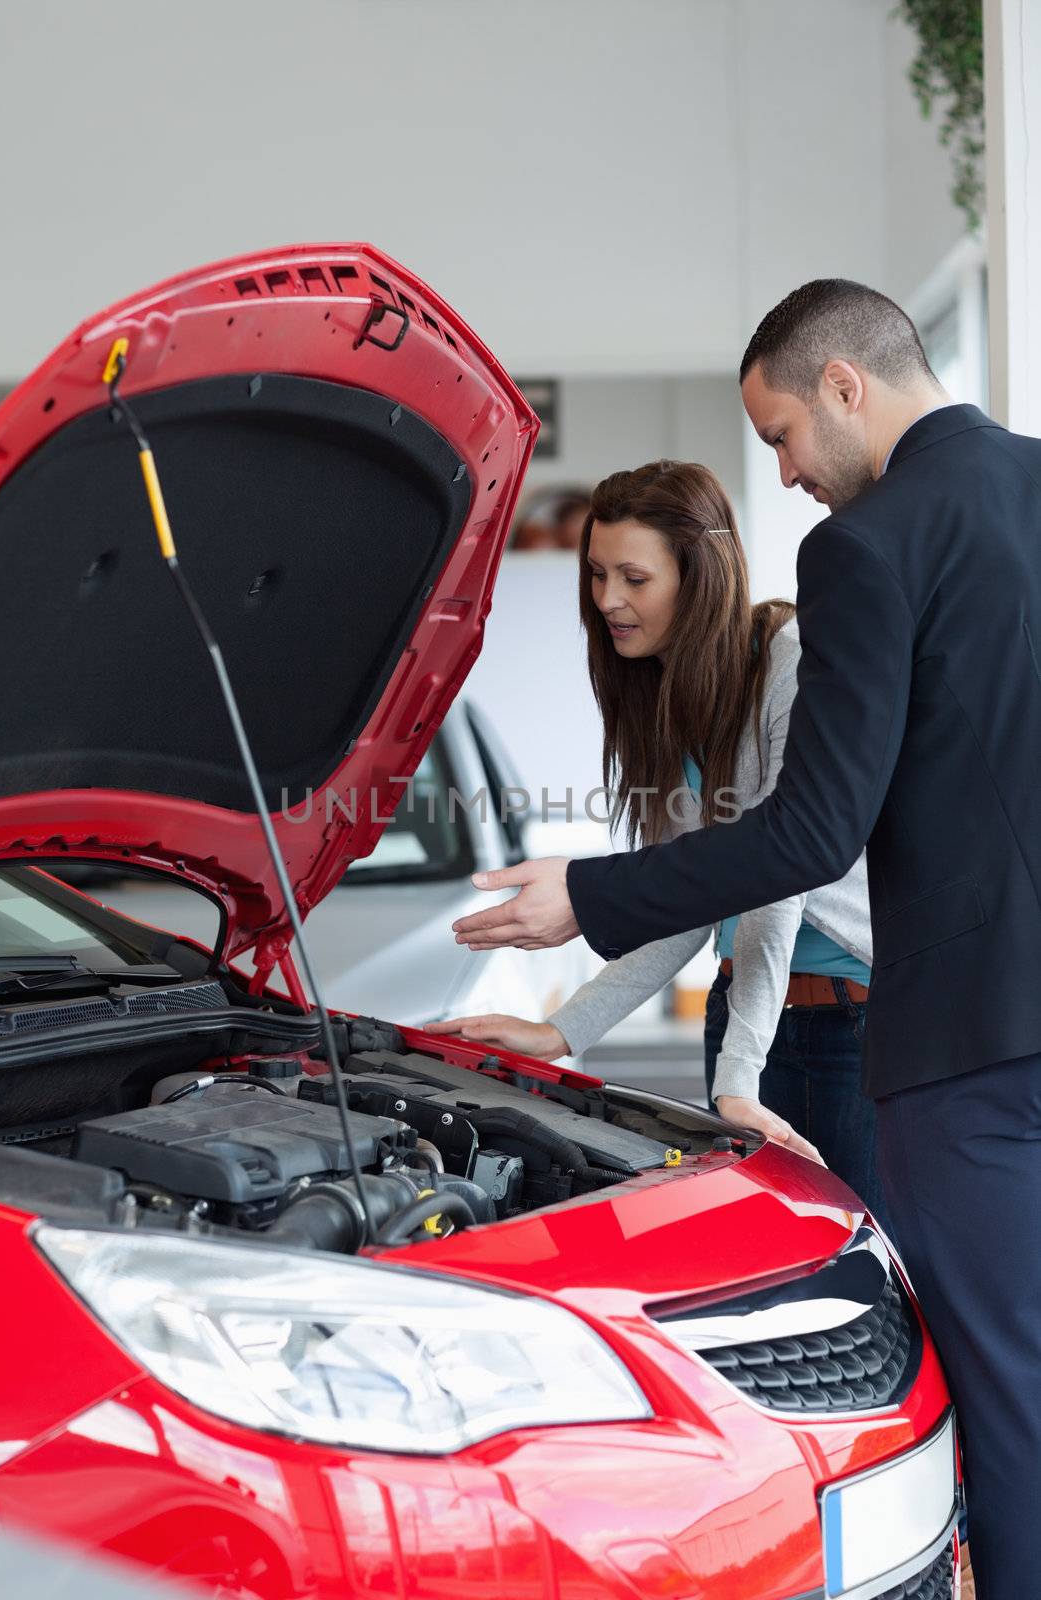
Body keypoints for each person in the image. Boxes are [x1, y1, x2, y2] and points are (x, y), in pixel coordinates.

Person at [452, 278, 1038, 1599]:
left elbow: (806, 837)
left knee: (996, 1402)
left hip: (959, 1055)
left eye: (779, 436)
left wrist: (583, 895)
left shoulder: (866, 548)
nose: (781, 475)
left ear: (842, 383)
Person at [439, 459, 887, 1219]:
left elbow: (778, 878)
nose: (607, 599)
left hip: (846, 1028)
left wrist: (737, 1077)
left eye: (633, 578)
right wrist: (559, 1030)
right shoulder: (668, 695)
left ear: (699, 576)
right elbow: (692, 897)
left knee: (866, 1274)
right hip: (743, 1014)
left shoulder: (790, 663)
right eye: (596, 575)